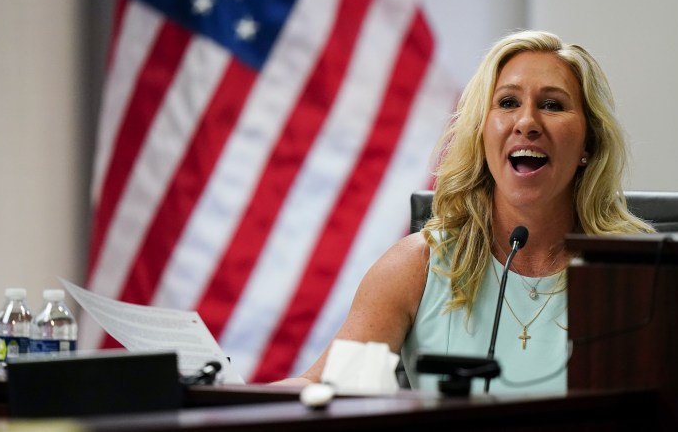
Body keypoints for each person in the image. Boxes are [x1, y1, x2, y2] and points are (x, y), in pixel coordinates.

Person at [273, 29, 655, 394]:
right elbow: (325, 388)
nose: (526, 122)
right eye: (508, 103)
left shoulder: (640, 272)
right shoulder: (418, 266)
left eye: (552, 105)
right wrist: (240, 400)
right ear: (481, 132)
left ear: (588, 142)